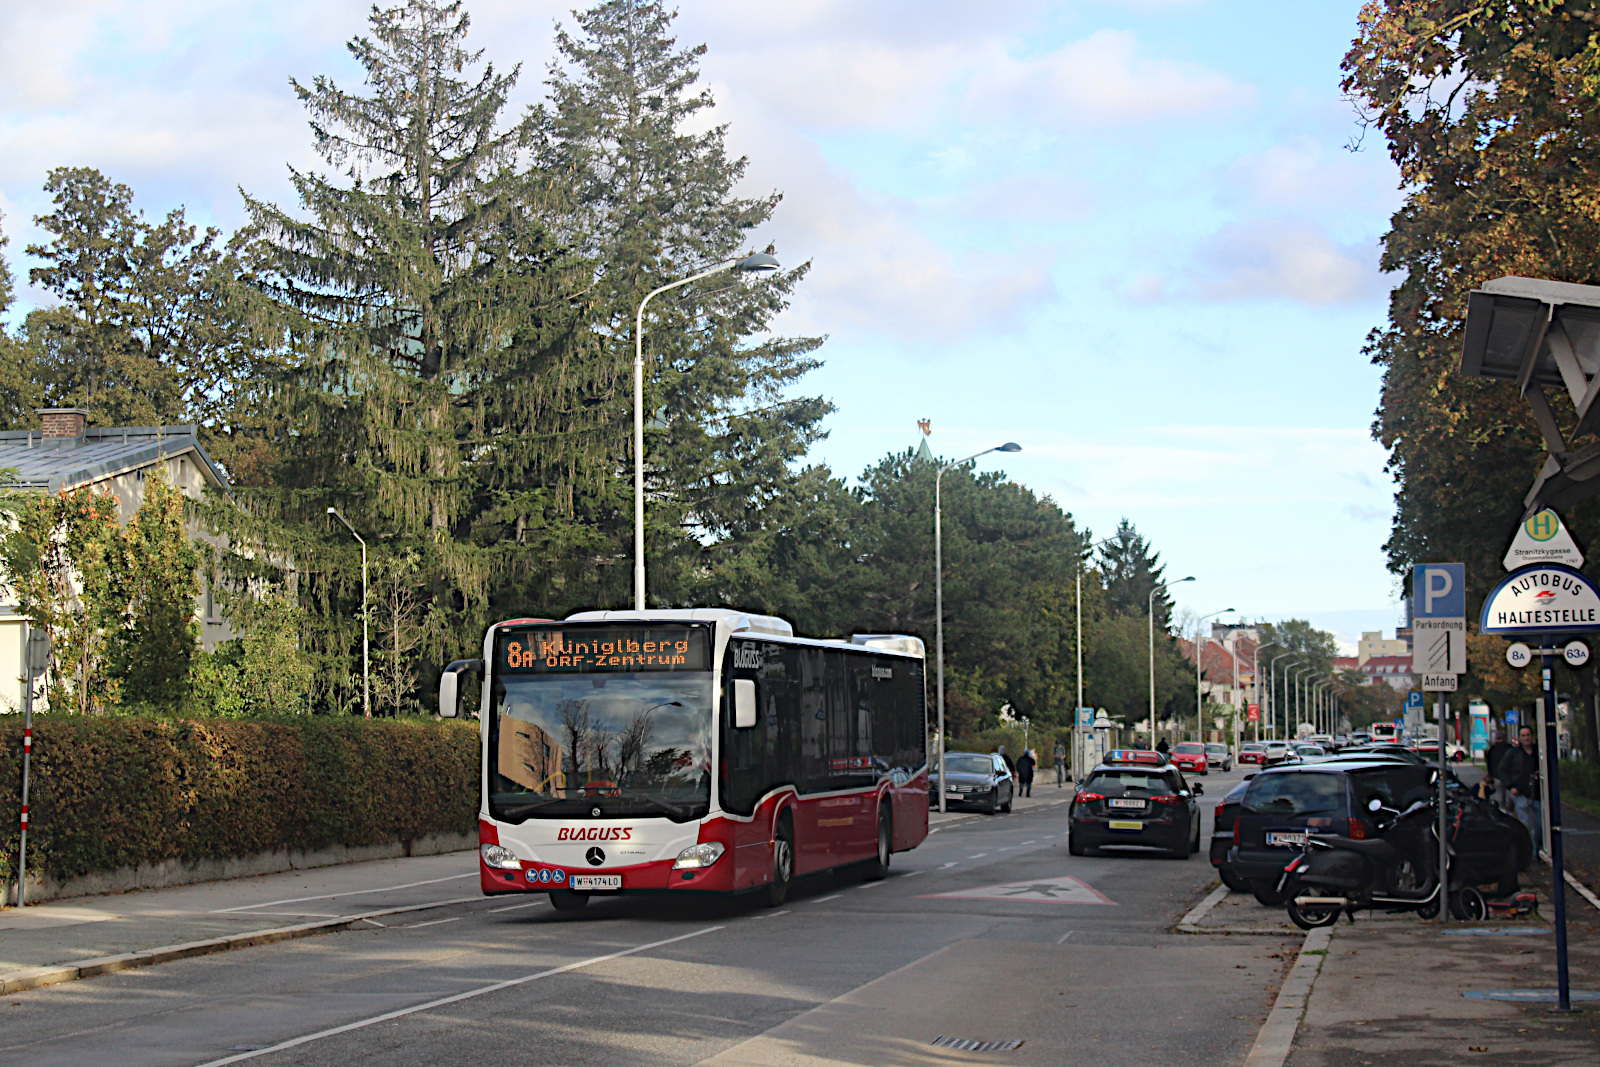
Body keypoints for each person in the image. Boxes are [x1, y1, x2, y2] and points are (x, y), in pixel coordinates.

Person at [1500, 725, 1543, 845]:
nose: (1526, 738)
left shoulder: (1539, 752)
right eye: (1523, 736)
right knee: (1526, 825)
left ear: (1532, 736)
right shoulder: (1513, 753)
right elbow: (1502, 770)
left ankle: (1538, 849)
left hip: (1538, 793)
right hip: (1521, 793)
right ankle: (1531, 853)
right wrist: (1510, 786)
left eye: (1528, 735)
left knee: (1540, 825)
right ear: (1519, 738)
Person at [1484, 727, 1513, 812]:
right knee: (1510, 797)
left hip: (1496, 776)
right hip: (1509, 776)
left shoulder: (1492, 750)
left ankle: (1502, 811)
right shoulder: (1509, 748)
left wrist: (1491, 779)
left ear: (1496, 738)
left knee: (1500, 797)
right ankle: (1510, 811)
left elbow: (1489, 764)